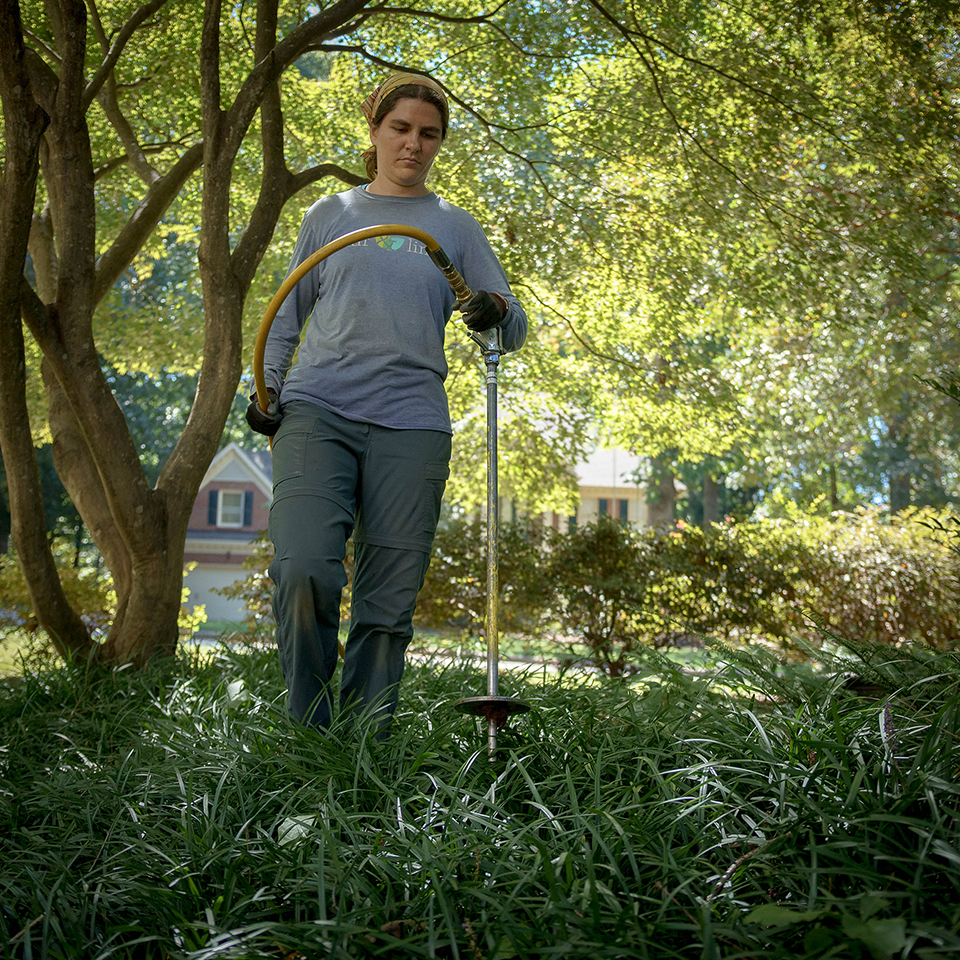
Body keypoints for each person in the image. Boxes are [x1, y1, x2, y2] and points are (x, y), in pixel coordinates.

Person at [246, 72, 527, 735]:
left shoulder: (455, 227)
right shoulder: (331, 215)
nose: (413, 144)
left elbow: (511, 329)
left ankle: (366, 744)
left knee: (387, 601)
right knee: (303, 568)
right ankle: (310, 734)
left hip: (412, 424)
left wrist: (493, 309)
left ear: (439, 143)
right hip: (317, 410)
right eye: (400, 128)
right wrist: (264, 386)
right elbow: (287, 312)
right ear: (374, 130)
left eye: (429, 134)